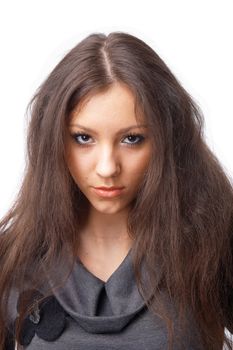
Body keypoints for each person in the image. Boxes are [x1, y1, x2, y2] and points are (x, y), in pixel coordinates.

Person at [0, 31, 233, 350]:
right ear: (53, 141)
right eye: (83, 138)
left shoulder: (213, 244)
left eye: (132, 139)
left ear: (167, 141)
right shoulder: (11, 257)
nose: (107, 167)